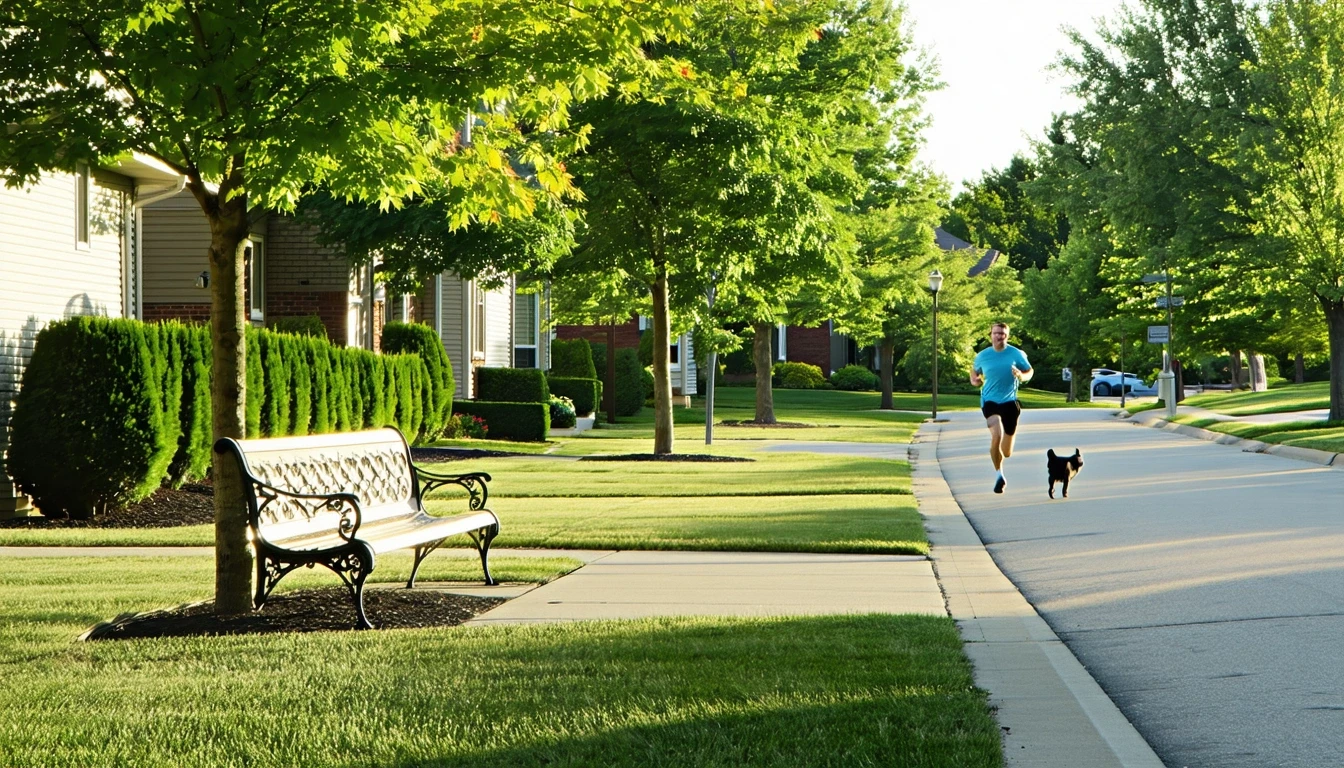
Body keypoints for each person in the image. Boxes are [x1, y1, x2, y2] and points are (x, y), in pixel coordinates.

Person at [969, 322, 1033, 494]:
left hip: (1010, 403)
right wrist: (975, 381)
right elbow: (974, 372)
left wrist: (1021, 375)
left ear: (1007, 336)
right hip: (989, 401)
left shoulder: (1016, 354)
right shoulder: (982, 356)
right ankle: (999, 475)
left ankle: (1002, 457)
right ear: (990, 335)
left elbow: (1029, 371)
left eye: (1003, 334)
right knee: (996, 434)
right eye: (996, 333)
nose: (999, 336)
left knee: (1007, 451)